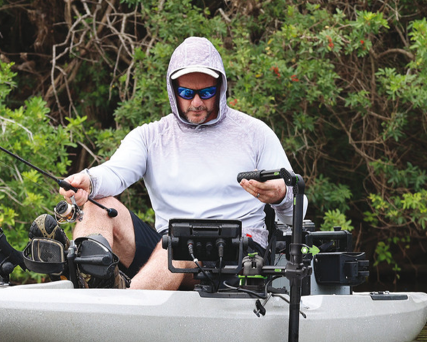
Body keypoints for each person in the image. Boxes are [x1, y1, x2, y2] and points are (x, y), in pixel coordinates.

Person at [58, 36, 303, 290]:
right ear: (172, 91)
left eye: (207, 93)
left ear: (221, 89)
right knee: (100, 205)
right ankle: (93, 283)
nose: (197, 102)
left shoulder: (255, 133)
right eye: (187, 93)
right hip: (167, 248)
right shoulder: (150, 136)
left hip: (237, 253)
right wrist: (88, 181)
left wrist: (281, 195)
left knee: (181, 246)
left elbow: (298, 208)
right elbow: (115, 173)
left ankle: (120, 309)